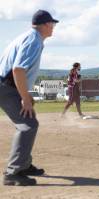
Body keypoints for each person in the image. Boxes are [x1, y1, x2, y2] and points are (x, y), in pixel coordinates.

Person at [0, 10, 58, 186]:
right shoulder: (33, 40)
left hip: (7, 85)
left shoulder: (27, 37)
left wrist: (25, 94)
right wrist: (24, 98)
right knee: (28, 126)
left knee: (29, 120)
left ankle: (23, 165)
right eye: (53, 24)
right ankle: (13, 172)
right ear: (46, 24)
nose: (54, 28)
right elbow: (18, 69)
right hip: (6, 87)